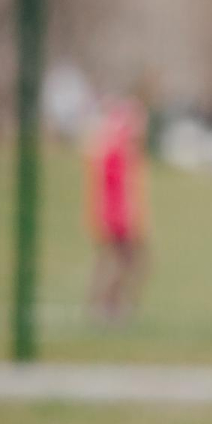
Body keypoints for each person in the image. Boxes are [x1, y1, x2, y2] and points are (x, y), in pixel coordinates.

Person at [87, 99, 149, 323]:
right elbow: (115, 190)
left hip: (116, 217)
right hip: (117, 219)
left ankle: (107, 305)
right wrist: (125, 220)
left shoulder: (118, 150)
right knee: (126, 263)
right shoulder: (116, 152)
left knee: (115, 262)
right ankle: (108, 307)